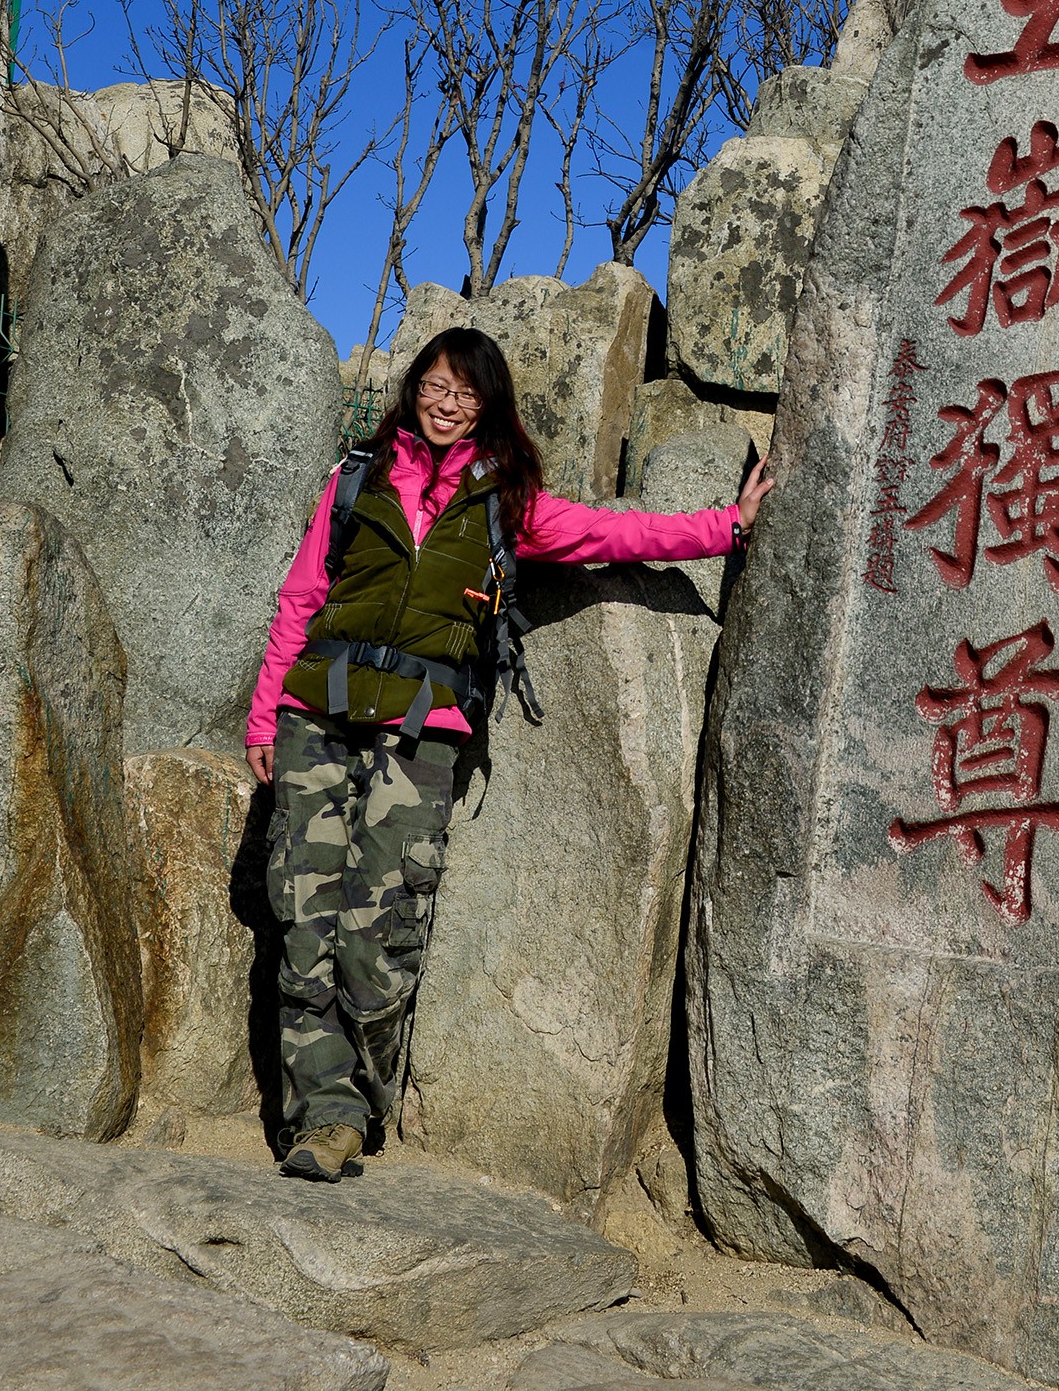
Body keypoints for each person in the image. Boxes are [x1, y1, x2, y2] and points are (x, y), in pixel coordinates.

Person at [245, 326, 772, 1182]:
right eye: (435, 385)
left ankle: (358, 1099)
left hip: (420, 731)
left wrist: (726, 526)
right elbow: (303, 595)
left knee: (380, 934)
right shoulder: (354, 481)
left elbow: (611, 536)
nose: (447, 404)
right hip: (318, 717)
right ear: (413, 387)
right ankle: (322, 1119)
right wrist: (265, 718)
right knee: (305, 921)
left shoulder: (506, 501)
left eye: (466, 392)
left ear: (488, 406)